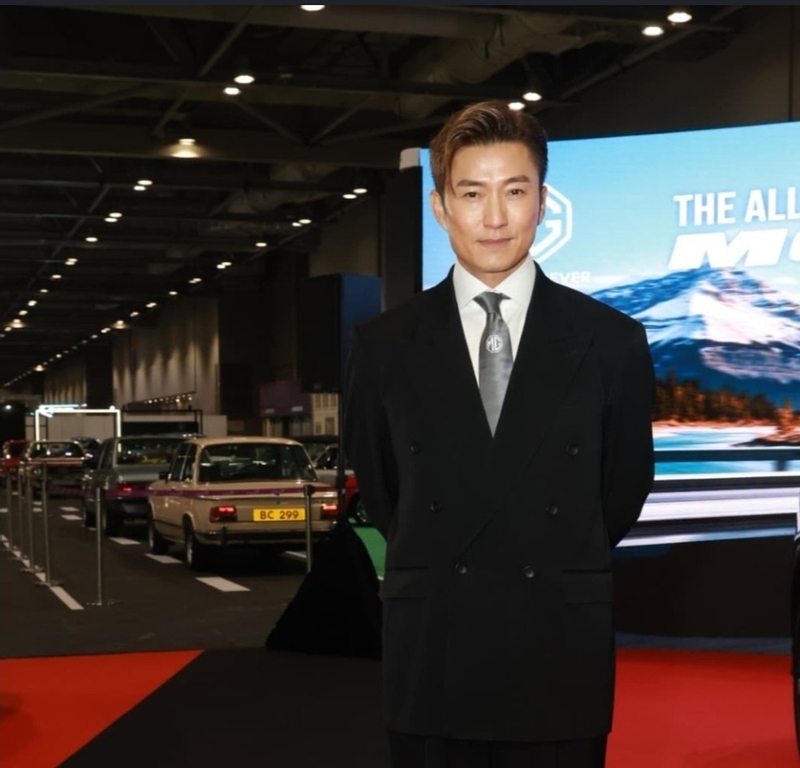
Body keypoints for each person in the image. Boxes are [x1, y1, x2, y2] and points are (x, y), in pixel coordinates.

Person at [343, 100, 655, 768]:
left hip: (557, 644)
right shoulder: (382, 347)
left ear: (543, 203)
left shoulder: (611, 341)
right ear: (440, 207)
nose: (494, 218)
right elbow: (385, 488)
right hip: (434, 645)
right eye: (471, 193)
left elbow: (622, 488)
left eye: (514, 192)